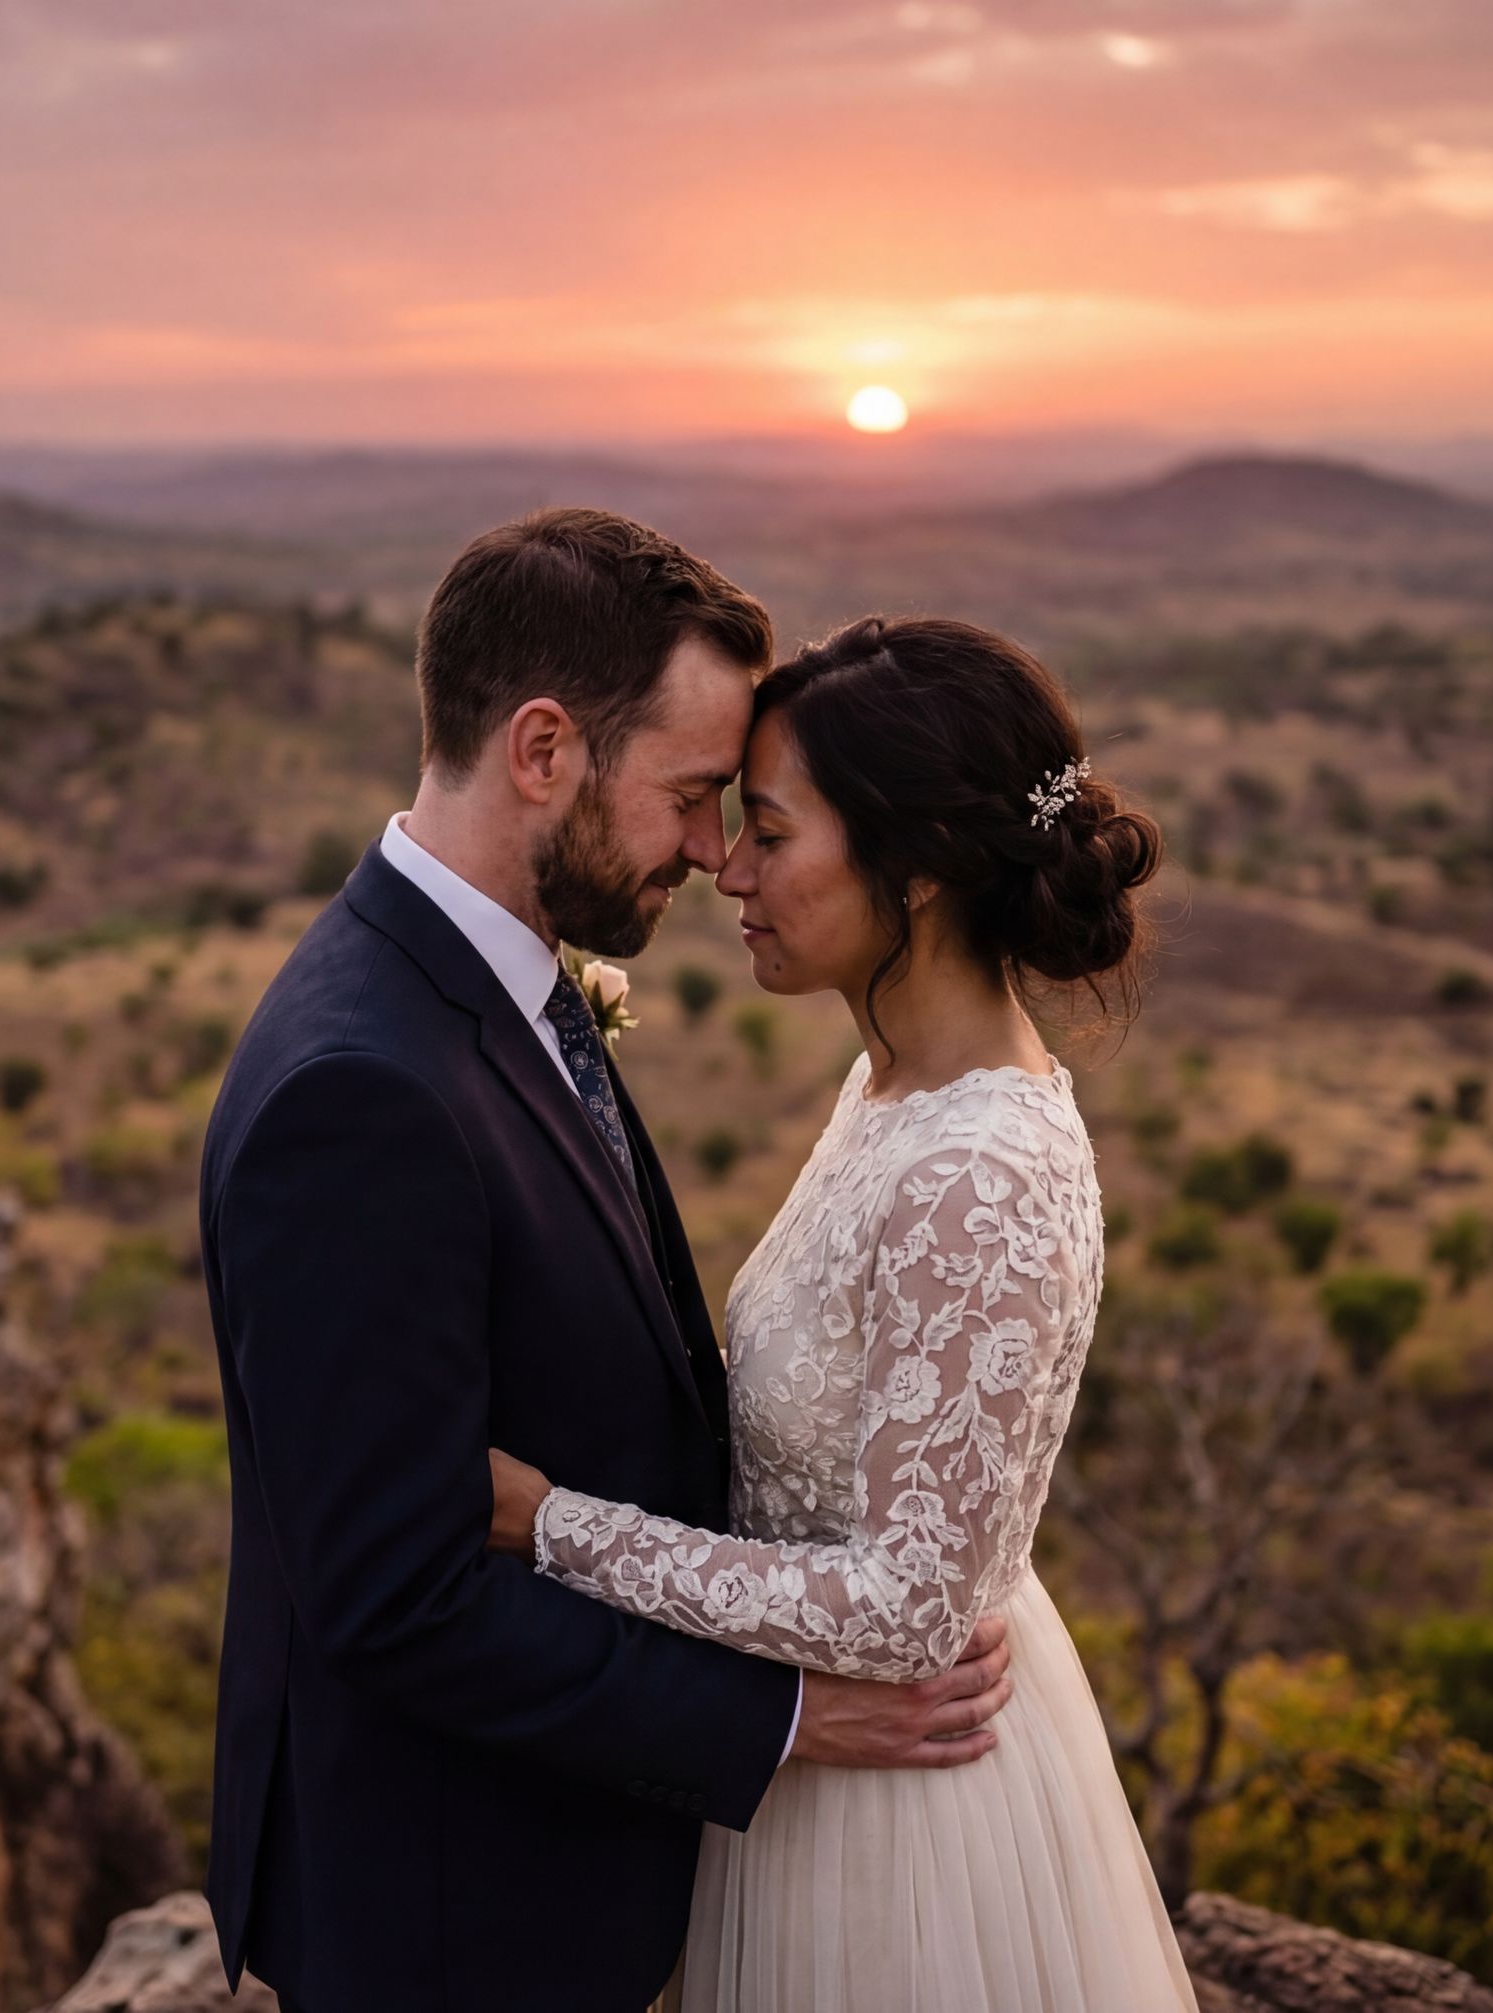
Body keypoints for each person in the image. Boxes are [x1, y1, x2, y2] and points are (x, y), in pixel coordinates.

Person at [199, 514, 1018, 2013]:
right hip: (458, 1923)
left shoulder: (491, 977)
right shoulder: (360, 1091)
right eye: (692, 795)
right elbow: (396, 1597)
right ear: (543, 752)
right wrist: (781, 1717)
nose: (711, 852)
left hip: (560, 1868)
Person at [483, 614, 1205, 2011]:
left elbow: (907, 1610)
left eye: (770, 832)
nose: (728, 869)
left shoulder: (975, 1172)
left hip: (904, 1815)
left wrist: (550, 1524)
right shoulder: (890, 1088)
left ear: (916, 867)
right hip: (808, 1753)